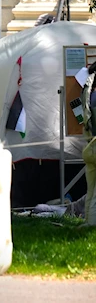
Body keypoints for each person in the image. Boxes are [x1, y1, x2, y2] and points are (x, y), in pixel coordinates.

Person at [81, 62, 96, 227]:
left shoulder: (88, 88)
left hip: (88, 144)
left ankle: (87, 222)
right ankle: (91, 225)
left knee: (91, 190)